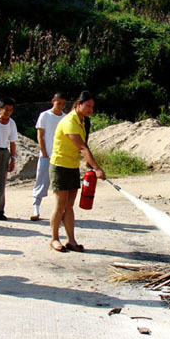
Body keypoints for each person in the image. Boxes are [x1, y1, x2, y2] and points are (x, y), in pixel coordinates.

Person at [49, 90, 105, 253]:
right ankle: (54, 239)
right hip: (60, 166)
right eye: (88, 106)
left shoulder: (83, 121)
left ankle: (71, 241)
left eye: (92, 107)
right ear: (79, 104)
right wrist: (97, 168)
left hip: (72, 166)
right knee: (60, 206)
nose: (90, 110)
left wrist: (89, 163)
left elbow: (83, 145)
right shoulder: (69, 121)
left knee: (69, 206)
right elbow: (82, 147)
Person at [30, 92, 66, 221]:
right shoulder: (44, 115)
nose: (60, 106)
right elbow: (40, 135)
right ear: (53, 102)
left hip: (60, 156)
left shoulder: (65, 118)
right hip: (46, 155)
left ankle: (61, 211)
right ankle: (36, 207)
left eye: (63, 104)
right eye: (58, 103)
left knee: (60, 185)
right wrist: (44, 152)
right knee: (41, 181)